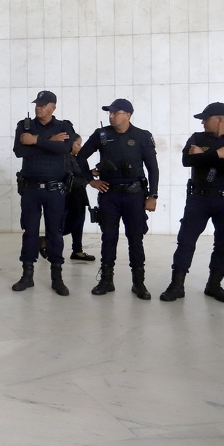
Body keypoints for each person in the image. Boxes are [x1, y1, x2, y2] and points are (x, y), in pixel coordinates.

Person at [160, 103, 224, 304]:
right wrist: (216, 155)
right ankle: (177, 285)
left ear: (219, 120)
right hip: (199, 198)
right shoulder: (197, 138)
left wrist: (203, 155)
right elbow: (186, 160)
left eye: (205, 118)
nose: (202, 122)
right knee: (186, 241)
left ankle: (214, 285)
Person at [77, 98, 159, 300]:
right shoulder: (101, 135)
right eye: (109, 113)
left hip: (134, 196)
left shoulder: (142, 136)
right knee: (108, 237)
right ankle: (106, 280)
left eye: (115, 112)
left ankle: (138, 283)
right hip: (109, 195)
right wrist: (91, 180)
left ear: (128, 115)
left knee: (135, 239)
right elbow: (80, 157)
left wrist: (153, 195)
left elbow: (152, 168)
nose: (111, 116)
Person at [12, 91, 76, 295]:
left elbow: (65, 149)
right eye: (37, 104)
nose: (38, 107)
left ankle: (57, 277)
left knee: (54, 233)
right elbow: (19, 151)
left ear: (53, 107)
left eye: (43, 104)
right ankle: (27, 275)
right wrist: (50, 142)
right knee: (30, 232)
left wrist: (36, 141)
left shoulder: (64, 126)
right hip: (31, 189)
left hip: (55, 189)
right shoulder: (25, 125)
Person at [63, 136, 95, 262]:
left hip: (80, 193)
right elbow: (71, 178)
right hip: (71, 195)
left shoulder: (77, 159)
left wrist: (91, 174)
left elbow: (81, 175)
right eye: (78, 144)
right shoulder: (64, 159)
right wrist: (89, 176)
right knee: (72, 223)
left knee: (79, 222)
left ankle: (77, 250)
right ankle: (47, 240)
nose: (80, 147)